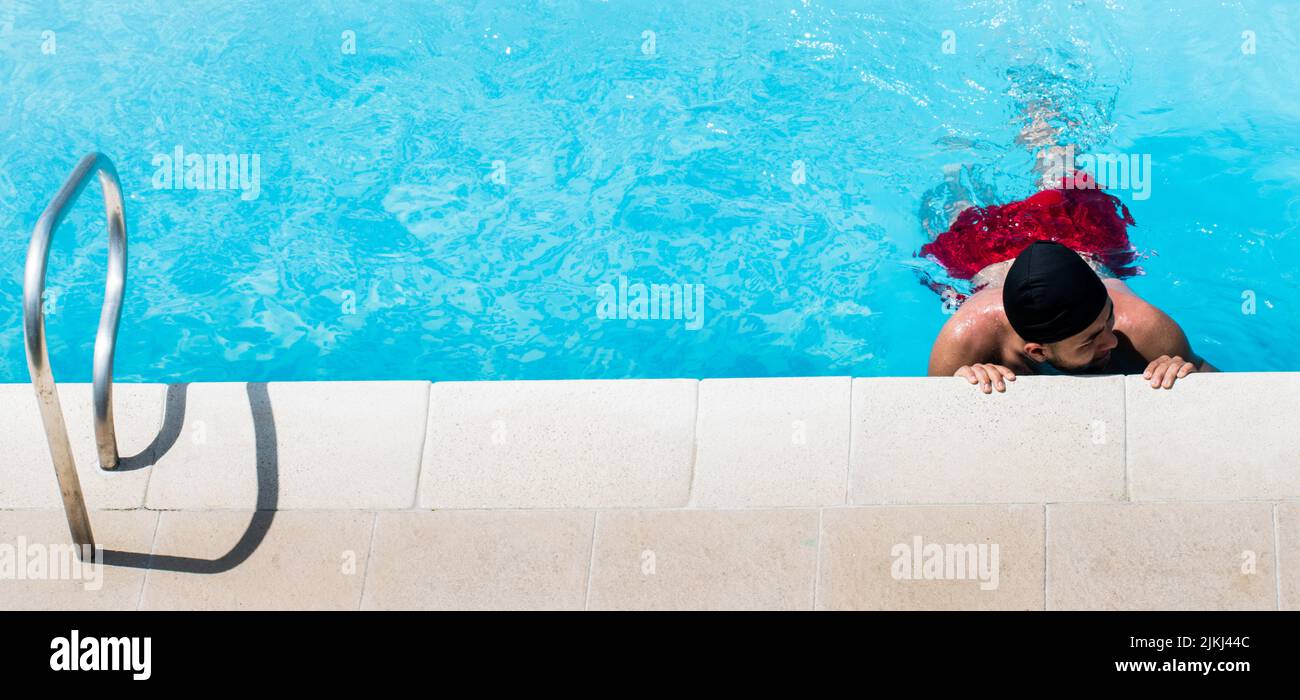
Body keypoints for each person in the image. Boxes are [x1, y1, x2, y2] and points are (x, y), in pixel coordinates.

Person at [920, 111, 1215, 393]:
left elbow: (1224, 389)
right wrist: (958, 384)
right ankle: (954, 159)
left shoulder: (1142, 328)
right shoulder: (968, 336)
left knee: (1062, 175)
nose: (1112, 341)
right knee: (960, 216)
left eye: (1108, 319)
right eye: (1089, 341)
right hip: (989, 253)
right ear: (1037, 352)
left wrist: (1187, 375)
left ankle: (1041, 115)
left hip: (1076, 242)